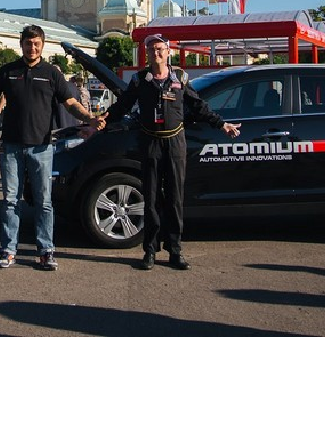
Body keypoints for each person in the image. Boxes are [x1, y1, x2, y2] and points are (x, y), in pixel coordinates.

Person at [0, 25, 100, 270]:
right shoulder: (8, 71)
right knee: (10, 201)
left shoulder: (51, 73)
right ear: (22, 44)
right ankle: (8, 250)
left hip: (42, 148)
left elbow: (70, 103)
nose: (32, 48)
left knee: (44, 202)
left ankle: (46, 251)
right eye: (28, 43)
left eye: (36, 44)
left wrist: (89, 118)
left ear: (42, 45)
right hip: (11, 147)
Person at [96, 33, 241, 270]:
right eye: (151, 49)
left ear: (168, 52)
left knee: (175, 198)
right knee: (151, 198)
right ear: (147, 53)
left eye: (160, 49)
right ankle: (150, 251)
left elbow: (199, 106)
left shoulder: (180, 78)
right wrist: (102, 121)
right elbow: (122, 106)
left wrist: (221, 124)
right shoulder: (140, 80)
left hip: (175, 143)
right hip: (150, 143)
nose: (156, 53)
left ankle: (175, 250)